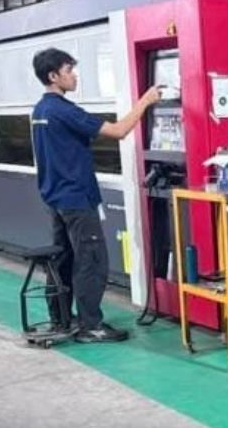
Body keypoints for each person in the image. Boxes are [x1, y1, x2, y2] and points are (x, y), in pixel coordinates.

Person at [31, 48, 161, 343]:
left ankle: (61, 318)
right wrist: (146, 101)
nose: (75, 76)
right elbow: (119, 130)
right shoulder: (64, 110)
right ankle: (91, 326)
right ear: (53, 76)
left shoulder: (40, 110)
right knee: (91, 260)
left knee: (63, 260)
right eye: (69, 71)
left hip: (55, 199)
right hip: (76, 199)